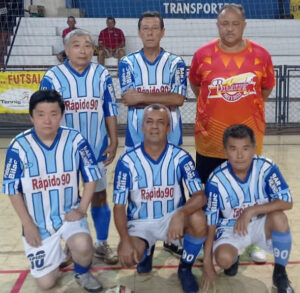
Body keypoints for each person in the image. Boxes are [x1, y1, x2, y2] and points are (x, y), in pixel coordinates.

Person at [188, 3, 276, 263]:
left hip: (247, 144)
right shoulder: (202, 54)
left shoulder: (261, 55)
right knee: (208, 195)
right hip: (210, 141)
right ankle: (210, 240)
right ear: (217, 25)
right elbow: (196, 85)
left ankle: (248, 242)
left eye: (235, 24)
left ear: (244, 25)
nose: (229, 29)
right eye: (224, 23)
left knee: (248, 196)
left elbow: (265, 90)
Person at [2, 90, 103, 292]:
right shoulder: (18, 146)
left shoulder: (75, 140)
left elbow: (91, 176)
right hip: (38, 223)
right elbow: (12, 189)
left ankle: (82, 271)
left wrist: (82, 209)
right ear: (31, 116)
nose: (47, 120)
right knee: (46, 283)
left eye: (53, 113)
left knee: (84, 245)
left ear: (61, 115)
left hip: (69, 215)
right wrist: (28, 224)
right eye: (41, 114)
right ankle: (57, 256)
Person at [40, 29, 119, 265]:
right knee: (67, 201)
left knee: (99, 196)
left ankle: (102, 243)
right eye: (77, 45)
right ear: (66, 50)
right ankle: (70, 246)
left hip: (96, 150)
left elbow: (110, 109)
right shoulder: (53, 77)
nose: (83, 50)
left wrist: (114, 140)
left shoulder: (101, 74)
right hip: (64, 154)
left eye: (87, 45)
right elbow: (44, 114)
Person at [113, 104, 207, 293]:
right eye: (149, 122)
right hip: (140, 223)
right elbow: (119, 206)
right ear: (142, 127)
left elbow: (200, 196)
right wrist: (124, 239)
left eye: (160, 122)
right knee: (131, 257)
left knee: (198, 219)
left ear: (168, 128)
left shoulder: (181, 157)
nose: (154, 127)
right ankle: (146, 249)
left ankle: (185, 268)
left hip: (172, 219)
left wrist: (182, 213)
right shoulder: (127, 162)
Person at [118, 10, 187, 257]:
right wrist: (161, 98)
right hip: (137, 138)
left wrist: (143, 97)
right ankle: (143, 238)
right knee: (140, 189)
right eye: (145, 29)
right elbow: (128, 99)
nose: (149, 33)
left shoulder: (176, 62)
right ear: (139, 32)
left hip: (172, 137)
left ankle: (173, 238)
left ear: (163, 32)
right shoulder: (127, 62)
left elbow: (178, 99)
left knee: (173, 187)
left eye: (154, 28)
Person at [202, 124, 294, 293]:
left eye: (245, 148)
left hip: (260, 224)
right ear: (225, 151)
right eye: (233, 149)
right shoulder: (216, 180)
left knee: (279, 218)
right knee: (223, 260)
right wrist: (207, 260)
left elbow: (287, 201)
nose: (239, 155)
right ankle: (234, 255)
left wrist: (251, 210)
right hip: (231, 228)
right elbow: (211, 221)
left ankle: (280, 273)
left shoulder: (266, 168)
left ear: (254, 148)